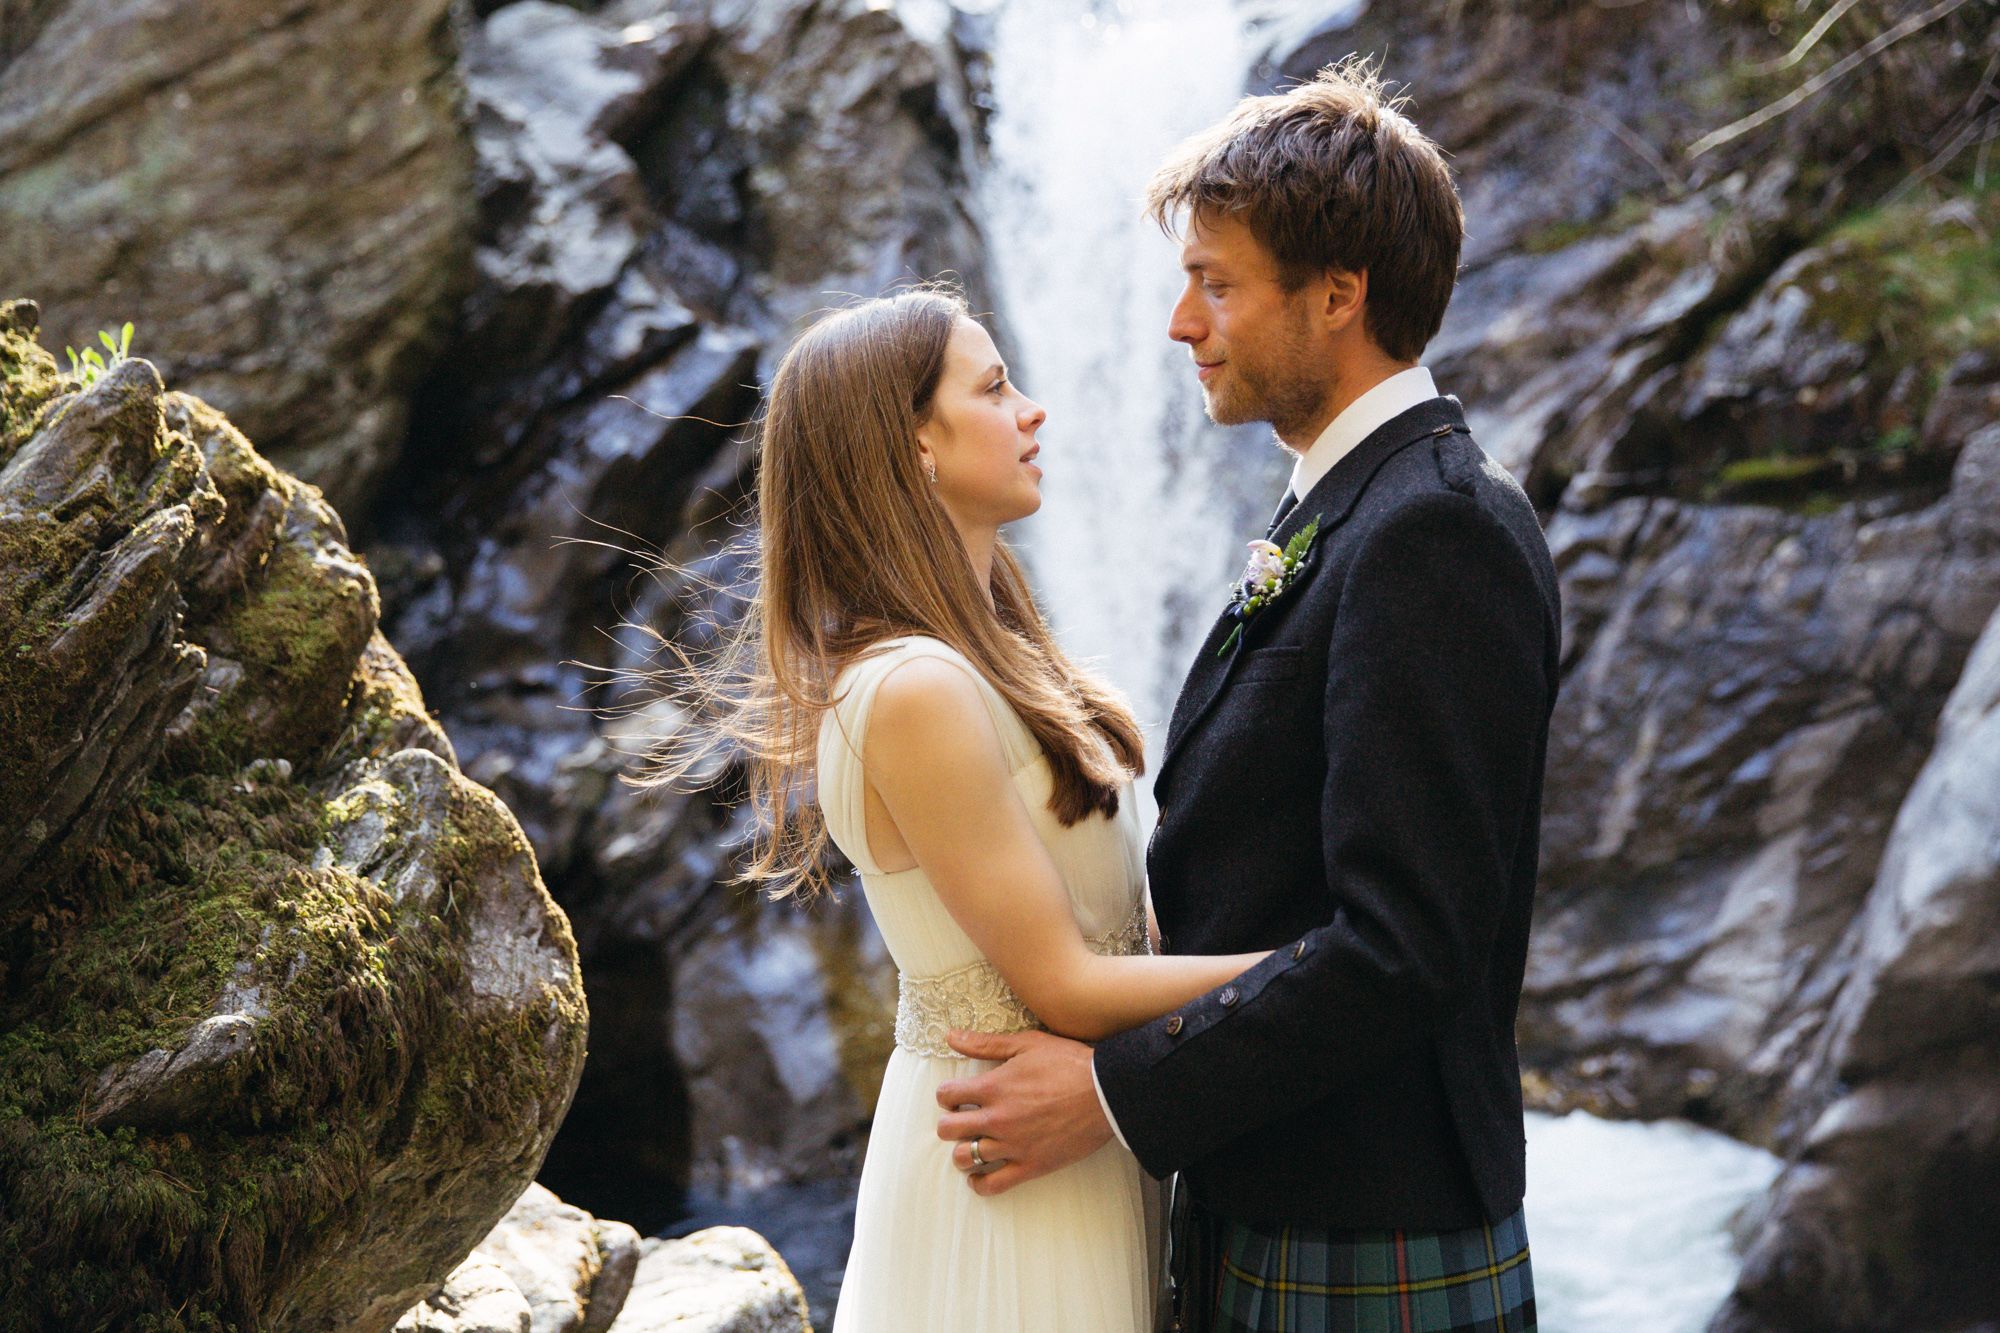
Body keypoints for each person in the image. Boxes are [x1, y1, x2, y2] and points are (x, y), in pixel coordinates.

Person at [932, 59, 1561, 1333]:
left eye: (1214, 284)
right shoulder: (1353, 509)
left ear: (1337, 295)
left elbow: (1405, 947)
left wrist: (1114, 1095)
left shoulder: (1433, 532)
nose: (1178, 323)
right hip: (1274, 1188)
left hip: (1368, 1216)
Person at [638, 283, 1274, 1331]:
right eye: (993, 387)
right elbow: (1064, 986)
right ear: (914, 449)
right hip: (1006, 1194)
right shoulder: (913, 688)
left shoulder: (985, 648)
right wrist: (1319, 969)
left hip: (1066, 1149)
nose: (1032, 410)